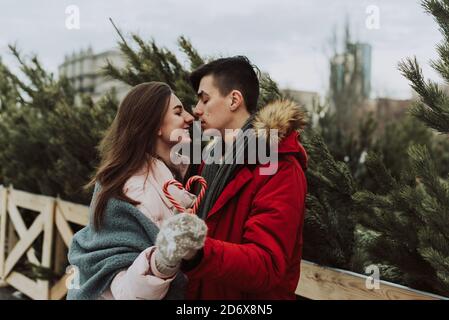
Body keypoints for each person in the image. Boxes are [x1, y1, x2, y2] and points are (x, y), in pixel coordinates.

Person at [182, 56, 308, 299]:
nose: (196, 109)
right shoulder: (210, 160)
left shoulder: (279, 166)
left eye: (204, 99)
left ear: (234, 100)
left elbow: (267, 264)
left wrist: (197, 250)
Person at [67, 81, 207, 300]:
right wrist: (162, 262)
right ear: (155, 127)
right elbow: (123, 291)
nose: (190, 117)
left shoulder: (175, 176)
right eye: (178, 112)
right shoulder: (128, 189)